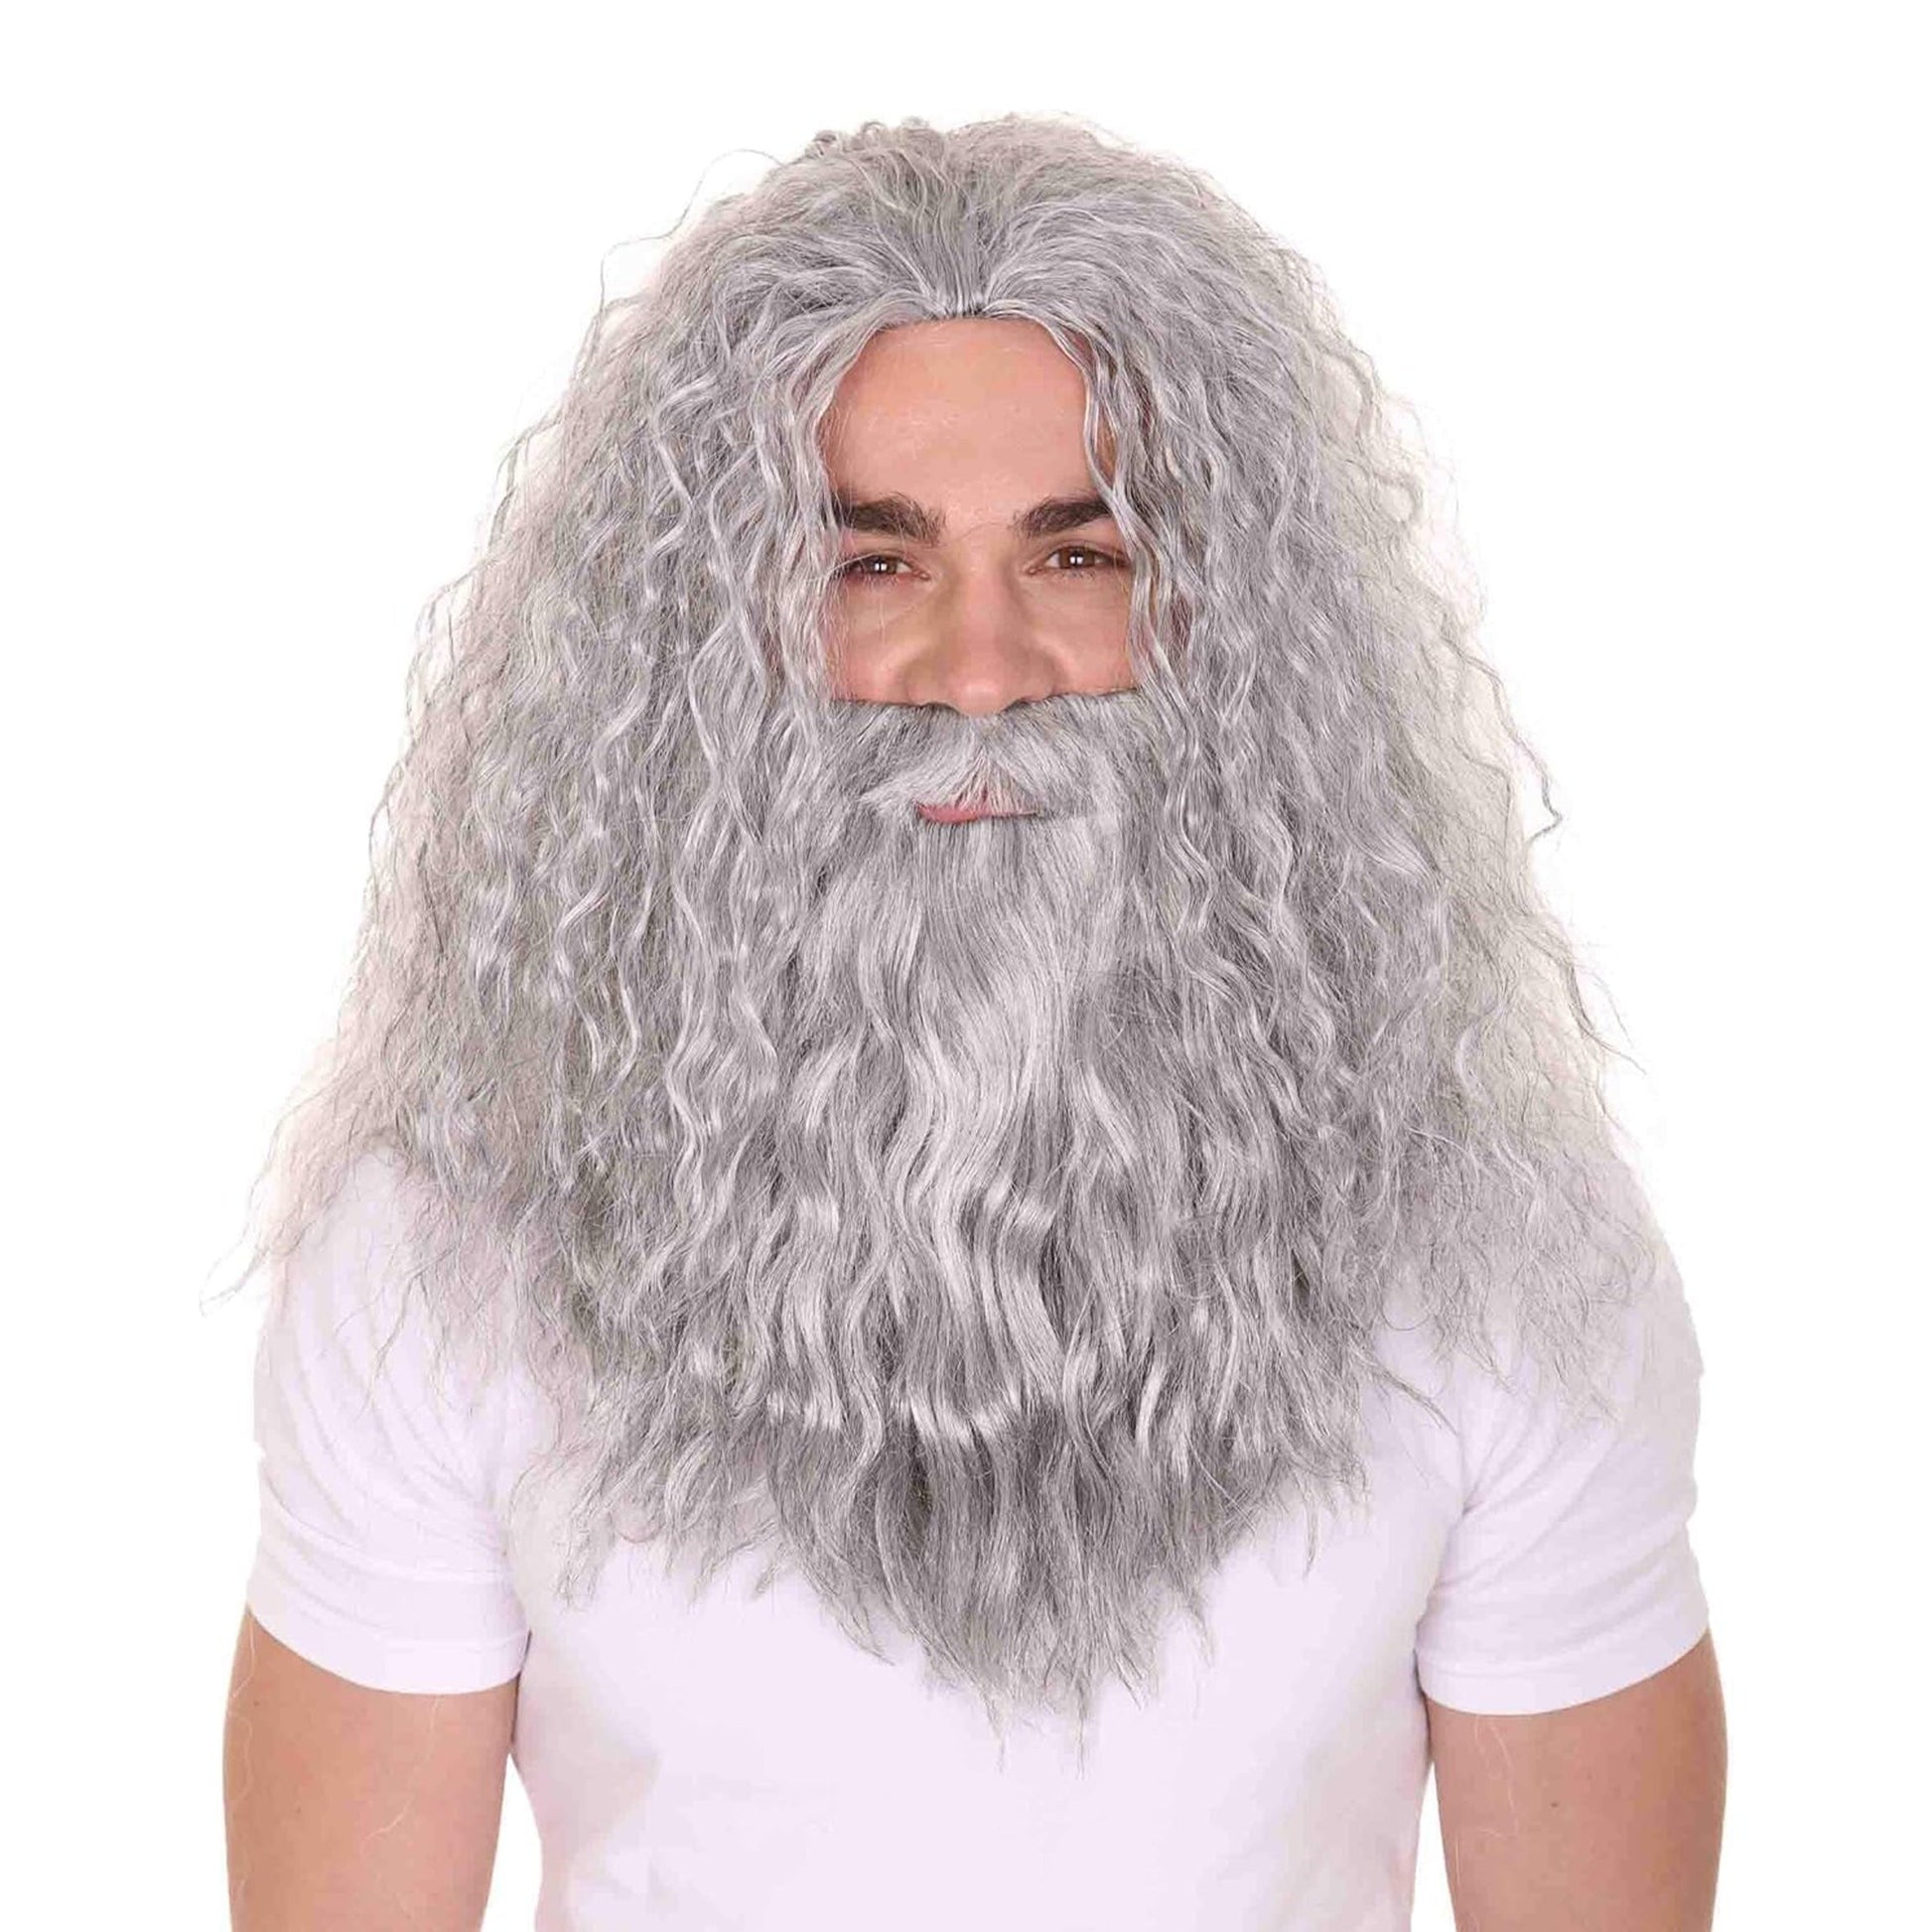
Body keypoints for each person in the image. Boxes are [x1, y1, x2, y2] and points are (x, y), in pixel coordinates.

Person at [217, 111, 1725, 1931]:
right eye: (875, 564)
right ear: (705, 640)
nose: (983, 670)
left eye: (1077, 558)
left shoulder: (1503, 1264)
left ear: (1230, 623)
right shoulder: (444, 1253)